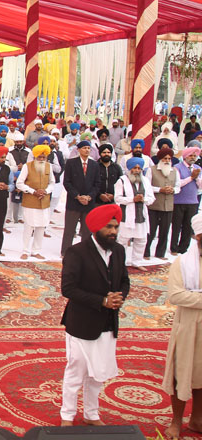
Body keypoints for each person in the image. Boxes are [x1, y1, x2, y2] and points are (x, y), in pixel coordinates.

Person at [60, 203, 129, 427]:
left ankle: (91, 414)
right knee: (76, 371)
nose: (113, 232)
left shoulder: (118, 251)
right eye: (109, 227)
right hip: (82, 322)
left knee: (98, 372)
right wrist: (101, 301)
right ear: (97, 227)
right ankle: (67, 416)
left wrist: (119, 297)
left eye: (116, 227)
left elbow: (124, 281)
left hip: (107, 322)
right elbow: (68, 289)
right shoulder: (77, 252)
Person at [162, 212, 202, 440]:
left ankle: (197, 419)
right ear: (199, 237)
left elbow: (188, 295)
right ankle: (176, 421)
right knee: (181, 372)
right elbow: (176, 296)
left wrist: (195, 296)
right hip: (187, 326)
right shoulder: (183, 263)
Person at [114, 156, 155, 269]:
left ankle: (137, 262)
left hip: (141, 216)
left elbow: (151, 198)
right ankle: (120, 263)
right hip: (127, 216)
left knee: (141, 240)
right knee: (123, 240)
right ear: (130, 169)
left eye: (139, 168)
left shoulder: (145, 181)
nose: (137, 170)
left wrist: (143, 199)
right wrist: (132, 199)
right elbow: (117, 198)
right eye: (135, 168)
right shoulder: (122, 180)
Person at [61, 140, 100, 257]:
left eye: (88, 148)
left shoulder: (94, 165)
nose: (87, 150)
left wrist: (89, 196)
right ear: (78, 150)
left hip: (89, 203)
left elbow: (97, 184)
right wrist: (77, 196)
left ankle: (85, 253)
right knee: (69, 229)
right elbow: (67, 182)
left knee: (87, 231)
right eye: (84, 148)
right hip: (74, 201)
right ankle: (65, 251)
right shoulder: (71, 163)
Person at [17, 144, 55, 260]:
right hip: (30, 201)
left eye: (44, 157)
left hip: (44, 201)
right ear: (35, 156)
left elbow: (52, 183)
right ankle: (25, 251)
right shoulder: (27, 166)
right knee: (29, 226)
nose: (42, 159)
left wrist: (46, 191)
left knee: (41, 227)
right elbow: (19, 183)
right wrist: (33, 191)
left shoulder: (49, 166)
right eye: (40, 157)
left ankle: (36, 251)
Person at [147, 146, 179, 260]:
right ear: (160, 159)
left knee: (164, 231)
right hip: (154, 206)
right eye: (165, 158)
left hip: (168, 206)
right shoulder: (152, 170)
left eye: (169, 159)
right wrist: (160, 190)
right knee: (150, 231)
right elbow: (147, 186)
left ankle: (160, 254)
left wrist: (172, 190)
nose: (167, 161)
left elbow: (178, 186)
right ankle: (146, 253)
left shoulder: (174, 171)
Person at [171, 146, 202, 255]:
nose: (193, 157)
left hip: (193, 201)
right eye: (190, 155)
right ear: (185, 157)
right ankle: (174, 248)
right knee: (176, 226)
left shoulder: (197, 168)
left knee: (188, 226)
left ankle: (183, 248)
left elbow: (200, 186)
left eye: (194, 156)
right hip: (179, 201)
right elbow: (178, 184)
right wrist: (191, 178)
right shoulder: (177, 167)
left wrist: (196, 177)